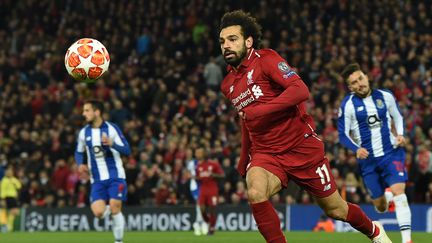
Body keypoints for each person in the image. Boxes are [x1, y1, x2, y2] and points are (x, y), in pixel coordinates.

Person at [218, 10, 391, 243]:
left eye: (232, 39)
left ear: (248, 41)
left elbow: (300, 91)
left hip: (301, 148)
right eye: (222, 41)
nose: (226, 45)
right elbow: (246, 121)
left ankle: (374, 230)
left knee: (336, 210)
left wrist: (260, 110)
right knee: (255, 192)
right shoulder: (228, 84)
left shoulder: (267, 59)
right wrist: (243, 157)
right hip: (266, 153)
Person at [338, 63, 412, 243]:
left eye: (361, 78)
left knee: (400, 193)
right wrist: (356, 149)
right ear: (350, 87)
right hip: (368, 161)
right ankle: (386, 196)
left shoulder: (385, 96)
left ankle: (407, 240)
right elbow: (342, 134)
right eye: (354, 82)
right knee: (380, 207)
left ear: (366, 77)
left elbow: (398, 116)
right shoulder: (348, 105)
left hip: (391, 153)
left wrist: (400, 134)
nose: (359, 84)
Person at [75, 99, 130, 243]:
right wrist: (80, 164)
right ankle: (112, 214)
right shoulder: (83, 133)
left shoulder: (112, 129)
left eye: (87, 110)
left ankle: (118, 241)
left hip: (115, 175)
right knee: (99, 213)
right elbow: (79, 152)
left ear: (97, 112)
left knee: (115, 206)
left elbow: (127, 150)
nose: (83, 113)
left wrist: (113, 144)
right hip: (97, 179)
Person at [195, 147, 225, 235]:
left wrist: (214, 175)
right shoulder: (198, 166)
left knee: (212, 210)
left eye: (199, 153)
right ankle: (209, 222)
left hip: (212, 189)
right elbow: (198, 178)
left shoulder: (214, 164)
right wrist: (195, 178)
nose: (197, 154)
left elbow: (222, 175)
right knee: (201, 208)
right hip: (203, 189)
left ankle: (211, 228)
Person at [186, 153, 206, 235]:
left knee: (203, 204)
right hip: (195, 186)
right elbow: (188, 174)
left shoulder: (206, 163)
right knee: (199, 203)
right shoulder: (192, 163)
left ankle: (198, 223)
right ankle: (201, 223)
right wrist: (194, 176)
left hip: (204, 185)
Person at [0, 166, 21, 232]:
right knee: (4, 211)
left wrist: (14, 182)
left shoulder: (14, 180)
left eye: (10, 171)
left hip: (13, 198)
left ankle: (8, 227)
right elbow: (2, 190)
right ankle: (5, 226)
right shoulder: (4, 180)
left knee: (14, 212)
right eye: (8, 171)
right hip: (6, 197)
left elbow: (19, 186)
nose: (9, 173)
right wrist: (2, 199)